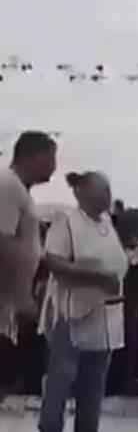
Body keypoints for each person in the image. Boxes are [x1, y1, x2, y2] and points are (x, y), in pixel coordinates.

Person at [38, 171, 128, 432]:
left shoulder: (107, 224)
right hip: (71, 315)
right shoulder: (66, 222)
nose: (107, 197)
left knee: (94, 382)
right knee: (61, 379)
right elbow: (53, 261)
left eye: (109, 190)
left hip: (105, 319)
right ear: (82, 193)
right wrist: (95, 276)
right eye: (102, 191)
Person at [0, 131, 57, 408]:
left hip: (8, 302)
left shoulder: (21, 192)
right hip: (6, 296)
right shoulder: (8, 186)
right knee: (5, 367)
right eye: (50, 158)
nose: (54, 168)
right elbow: (5, 241)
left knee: (6, 369)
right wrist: (22, 294)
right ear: (30, 156)